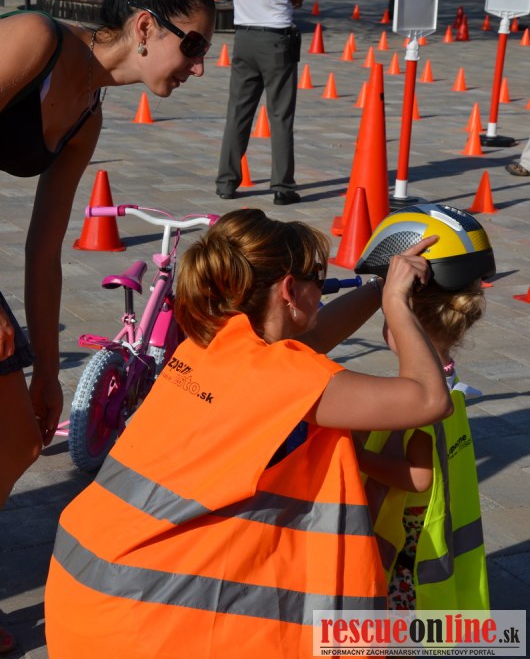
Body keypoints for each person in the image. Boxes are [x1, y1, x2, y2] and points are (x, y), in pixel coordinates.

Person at [45, 208, 453, 658]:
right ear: (289, 290)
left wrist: (377, 288)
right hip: (141, 619)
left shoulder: (209, 344)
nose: (324, 289)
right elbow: (429, 399)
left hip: (85, 581)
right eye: (319, 279)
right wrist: (396, 302)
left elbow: (308, 343)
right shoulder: (281, 376)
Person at [0, 0, 214, 653]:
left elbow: (43, 248)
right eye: (194, 45)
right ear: (146, 28)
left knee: (18, 439)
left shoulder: (87, 114)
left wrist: (45, 370)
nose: (200, 66)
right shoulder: (35, 41)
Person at [354, 203, 495, 611]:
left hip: (406, 551)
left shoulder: (414, 399)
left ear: (406, 324)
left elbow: (417, 477)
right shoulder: (448, 382)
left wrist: (356, 455)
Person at [215, 0, 305, 205]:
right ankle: (282, 186)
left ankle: (226, 182)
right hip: (277, 39)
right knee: (280, 114)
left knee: (238, 112)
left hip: (244, 37)